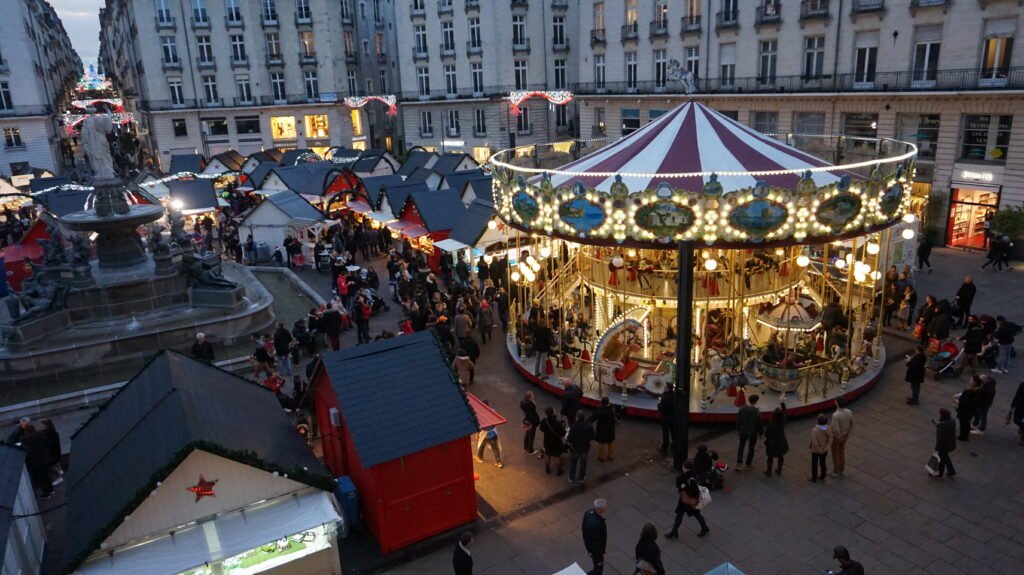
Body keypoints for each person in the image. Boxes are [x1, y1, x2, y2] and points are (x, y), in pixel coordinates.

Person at [22, 425, 54, 499]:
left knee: (41, 478)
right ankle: (51, 489)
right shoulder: (42, 435)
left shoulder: (26, 439)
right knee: (46, 475)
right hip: (45, 459)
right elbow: (49, 443)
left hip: (35, 462)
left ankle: (46, 493)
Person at [735, 394, 763, 471]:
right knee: (751, 448)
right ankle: (748, 464)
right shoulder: (757, 412)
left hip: (743, 431)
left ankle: (739, 464)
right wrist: (760, 433)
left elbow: (738, 420)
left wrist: (737, 429)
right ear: (756, 402)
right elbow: (759, 424)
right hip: (752, 432)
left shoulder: (742, 409)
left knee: (741, 446)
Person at [581, 499, 608, 575]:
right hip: (596, 552)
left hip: (590, 547)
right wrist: (599, 559)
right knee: (598, 570)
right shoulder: (597, 525)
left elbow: (583, 528)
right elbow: (597, 544)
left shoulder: (588, 512)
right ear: (601, 509)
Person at [567, 412, 595, 484]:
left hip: (576, 448)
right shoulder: (589, 425)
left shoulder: (574, 426)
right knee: (583, 463)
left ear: (577, 418)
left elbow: (570, 438)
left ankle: (571, 478)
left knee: (573, 463)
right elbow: (593, 436)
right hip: (585, 447)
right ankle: (581, 478)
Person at [589, 396, 617, 462]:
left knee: (601, 443)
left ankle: (601, 457)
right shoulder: (612, 409)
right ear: (608, 402)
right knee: (611, 442)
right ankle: (611, 455)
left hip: (601, 429)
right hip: (610, 429)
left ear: (601, 403)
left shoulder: (599, 410)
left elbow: (592, 418)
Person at [830, 398, 854, 477]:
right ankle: (841, 469)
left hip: (838, 437)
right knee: (842, 452)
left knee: (835, 453)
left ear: (837, 404)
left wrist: (838, 437)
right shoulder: (848, 412)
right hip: (845, 435)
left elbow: (836, 429)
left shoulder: (836, 415)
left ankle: (836, 471)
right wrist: (848, 434)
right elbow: (852, 424)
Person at [540, 407, 566, 475]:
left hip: (547, 440)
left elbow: (541, 428)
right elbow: (563, 433)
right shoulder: (557, 422)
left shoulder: (544, 420)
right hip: (556, 442)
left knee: (547, 454)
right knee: (556, 456)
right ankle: (559, 470)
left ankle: (547, 469)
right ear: (553, 413)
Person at [763, 406, 788, 476]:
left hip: (772, 443)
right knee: (781, 456)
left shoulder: (771, 423)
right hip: (781, 441)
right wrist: (784, 407)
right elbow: (784, 414)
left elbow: (767, 434)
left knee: (770, 457)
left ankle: (769, 471)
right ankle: (779, 470)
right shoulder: (783, 421)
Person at [809, 413, 832, 483]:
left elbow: (815, 442)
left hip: (815, 451)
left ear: (818, 421)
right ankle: (823, 476)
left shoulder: (814, 430)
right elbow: (830, 439)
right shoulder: (828, 428)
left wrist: (819, 450)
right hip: (824, 450)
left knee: (814, 463)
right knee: (823, 463)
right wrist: (825, 449)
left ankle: (814, 478)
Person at [933, 408, 957, 478]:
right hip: (950, 443)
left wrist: (937, 447)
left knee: (942, 458)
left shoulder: (943, 425)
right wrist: (938, 425)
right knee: (945, 457)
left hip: (943, 446)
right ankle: (950, 471)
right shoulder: (952, 420)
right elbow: (947, 429)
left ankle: (941, 473)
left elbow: (940, 438)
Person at [955, 377, 980, 442]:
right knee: (966, 422)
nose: (970, 380)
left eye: (971, 380)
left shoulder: (970, 392)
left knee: (963, 423)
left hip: (965, 411)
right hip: (969, 411)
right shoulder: (976, 391)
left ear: (974, 383)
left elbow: (966, 401)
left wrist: (958, 401)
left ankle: (963, 436)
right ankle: (965, 434)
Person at [41, 419, 63, 485]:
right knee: (55, 462)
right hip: (55, 451)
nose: (41, 427)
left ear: (46, 426)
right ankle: (60, 471)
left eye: (42, 426)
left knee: (51, 465)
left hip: (52, 452)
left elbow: (50, 443)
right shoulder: (52, 431)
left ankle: (58, 477)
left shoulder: (48, 433)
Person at [520, 392, 541, 456]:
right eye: (532, 396)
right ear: (529, 397)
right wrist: (535, 421)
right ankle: (530, 450)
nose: (533, 396)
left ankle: (526, 446)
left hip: (526, 420)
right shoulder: (529, 404)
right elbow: (531, 414)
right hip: (531, 422)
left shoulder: (523, 402)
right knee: (531, 435)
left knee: (527, 433)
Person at [657, 387, 675, 454]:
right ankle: (674, 445)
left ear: (668, 389)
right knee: (673, 432)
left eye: (665, 387)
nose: (664, 388)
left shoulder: (664, 397)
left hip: (665, 417)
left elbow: (660, 408)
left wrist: (659, 403)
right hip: (673, 418)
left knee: (665, 433)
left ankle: (665, 447)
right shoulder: (675, 396)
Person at [1006, 380, 1024, 445]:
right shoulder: (1022, 384)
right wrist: (1013, 405)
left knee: (1019, 420)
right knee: (1016, 420)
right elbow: (1017, 394)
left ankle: (1022, 437)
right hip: (1019, 406)